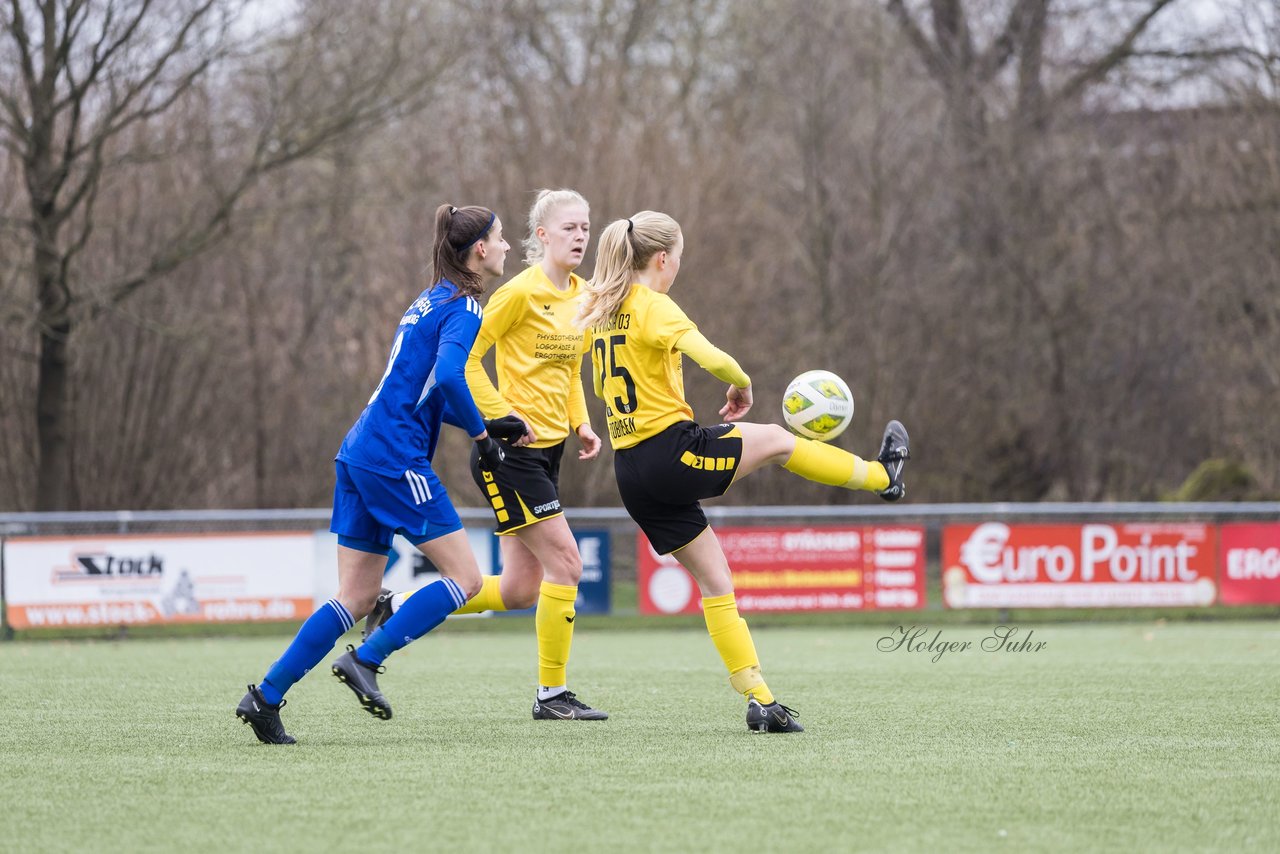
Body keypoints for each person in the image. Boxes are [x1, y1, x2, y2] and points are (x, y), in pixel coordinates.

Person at [577, 211, 910, 734]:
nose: (677, 269)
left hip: (632, 472)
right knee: (778, 439)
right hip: (670, 452)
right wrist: (743, 384)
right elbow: (713, 358)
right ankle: (882, 477)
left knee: (716, 581)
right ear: (662, 259)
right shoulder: (653, 306)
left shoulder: (603, 310)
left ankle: (760, 700)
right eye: (679, 259)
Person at [235, 204, 525, 744]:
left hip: (360, 449)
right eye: (502, 238)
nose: (508, 246)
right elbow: (447, 378)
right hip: (394, 456)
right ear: (480, 249)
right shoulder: (464, 306)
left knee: (357, 595)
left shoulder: (429, 298)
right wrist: (483, 440)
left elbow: (429, 381)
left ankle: (265, 697)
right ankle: (366, 660)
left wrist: (487, 421)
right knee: (464, 578)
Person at [363, 189, 608, 721]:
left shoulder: (586, 296)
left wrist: (582, 423)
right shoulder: (517, 293)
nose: (581, 236)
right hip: (510, 455)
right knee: (567, 562)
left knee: (522, 590)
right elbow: (467, 364)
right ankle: (553, 696)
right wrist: (499, 421)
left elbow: (570, 371)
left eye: (586, 227)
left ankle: (395, 607)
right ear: (540, 235)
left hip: (549, 452)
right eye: (569, 228)